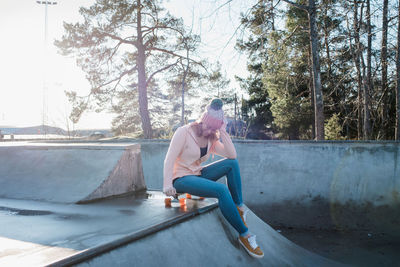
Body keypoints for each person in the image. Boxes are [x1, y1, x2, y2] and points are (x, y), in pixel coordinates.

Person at [163, 98, 264, 258]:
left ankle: (239, 206)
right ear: (202, 120)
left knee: (232, 164)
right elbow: (169, 159)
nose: (209, 130)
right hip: (181, 179)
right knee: (222, 190)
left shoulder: (212, 138)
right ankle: (245, 235)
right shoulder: (184, 132)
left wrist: (223, 131)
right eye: (208, 125)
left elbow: (231, 155)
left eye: (213, 128)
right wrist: (167, 184)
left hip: (198, 174)